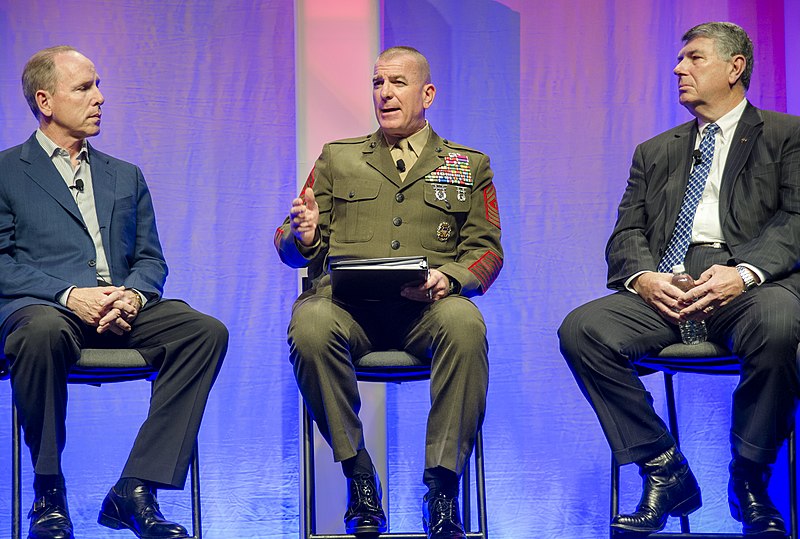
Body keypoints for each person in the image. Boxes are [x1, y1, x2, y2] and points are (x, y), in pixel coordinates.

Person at [559, 22, 800, 537]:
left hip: (748, 286)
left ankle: (750, 477)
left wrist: (744, 272)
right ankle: (665, 468)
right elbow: (626, 233)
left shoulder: (786, 135)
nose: (678, 68)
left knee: (781, 322)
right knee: (582, 329)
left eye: (694, 58)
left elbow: (797, 220)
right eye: (679, 59)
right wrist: (644, 278)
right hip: (668, 287)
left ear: (735, 69)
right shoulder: (655, 151)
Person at [0, 46, 228, 539]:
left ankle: (136, 488)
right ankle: (48, 492)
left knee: (203, 331)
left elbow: (151, 259)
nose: (100, 97)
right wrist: (67, 294)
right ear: (45, 100)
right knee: (38, 332)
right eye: (84, 88)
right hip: (47, 311)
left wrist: (133, 296)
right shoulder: (5, 172)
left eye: (97, 85)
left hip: (119, 310)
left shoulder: (125, 175)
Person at [275, 46, 502, 539]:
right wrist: (306, 236)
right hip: (347, 311)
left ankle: (443, 489)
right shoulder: (338, 157)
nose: (384, 93)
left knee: (466, 324)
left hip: (426, 312)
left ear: (427, 94)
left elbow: (486, 252)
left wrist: (452, 278)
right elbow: (286, 244)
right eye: (377, 83)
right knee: (309, 324)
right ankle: (359, 478)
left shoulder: (467, 164)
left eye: (397, 83)